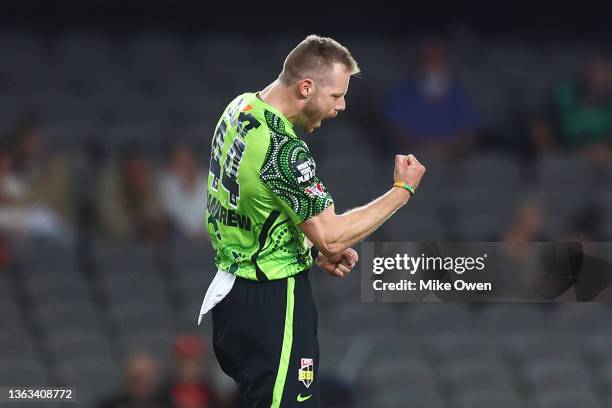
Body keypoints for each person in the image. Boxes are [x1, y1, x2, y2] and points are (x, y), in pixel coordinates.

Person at [198, 35, 426, 408]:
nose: (342, 105)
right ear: (306, 87)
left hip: (232, 297)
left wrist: (306, 244)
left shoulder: (239, 108)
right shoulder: (283, 149)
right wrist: (402, 191)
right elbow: (333, 237)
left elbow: (255, 203)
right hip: (273, 301)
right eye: (336, 96)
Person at [383, 37, 480, 159]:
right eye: (428, 57)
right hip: (409, 162)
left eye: (438, 56)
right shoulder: (402, 93)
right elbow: (394, 129)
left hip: (451, 163)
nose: (433, 61)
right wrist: (417, 150)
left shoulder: (459, 95)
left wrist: (448, 151)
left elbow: (468, 132)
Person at [159, 144, 208, 239]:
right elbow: (173, 216)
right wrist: (185, 187)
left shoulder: (208, 181)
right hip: (178, 241)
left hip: (208, 241)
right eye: (179, 162)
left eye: (187, 160)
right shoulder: (167, 184)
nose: (185, 165)